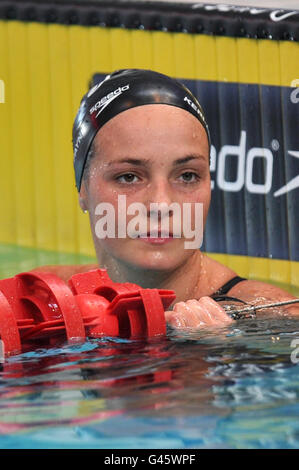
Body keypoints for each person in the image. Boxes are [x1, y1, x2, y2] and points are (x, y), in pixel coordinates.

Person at [31, 69, 299, 328]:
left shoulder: (275, 319)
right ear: (83, 189)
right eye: (129, 177)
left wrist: (208, 360)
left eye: (187, 176)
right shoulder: (41, 298)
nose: (161, 204)